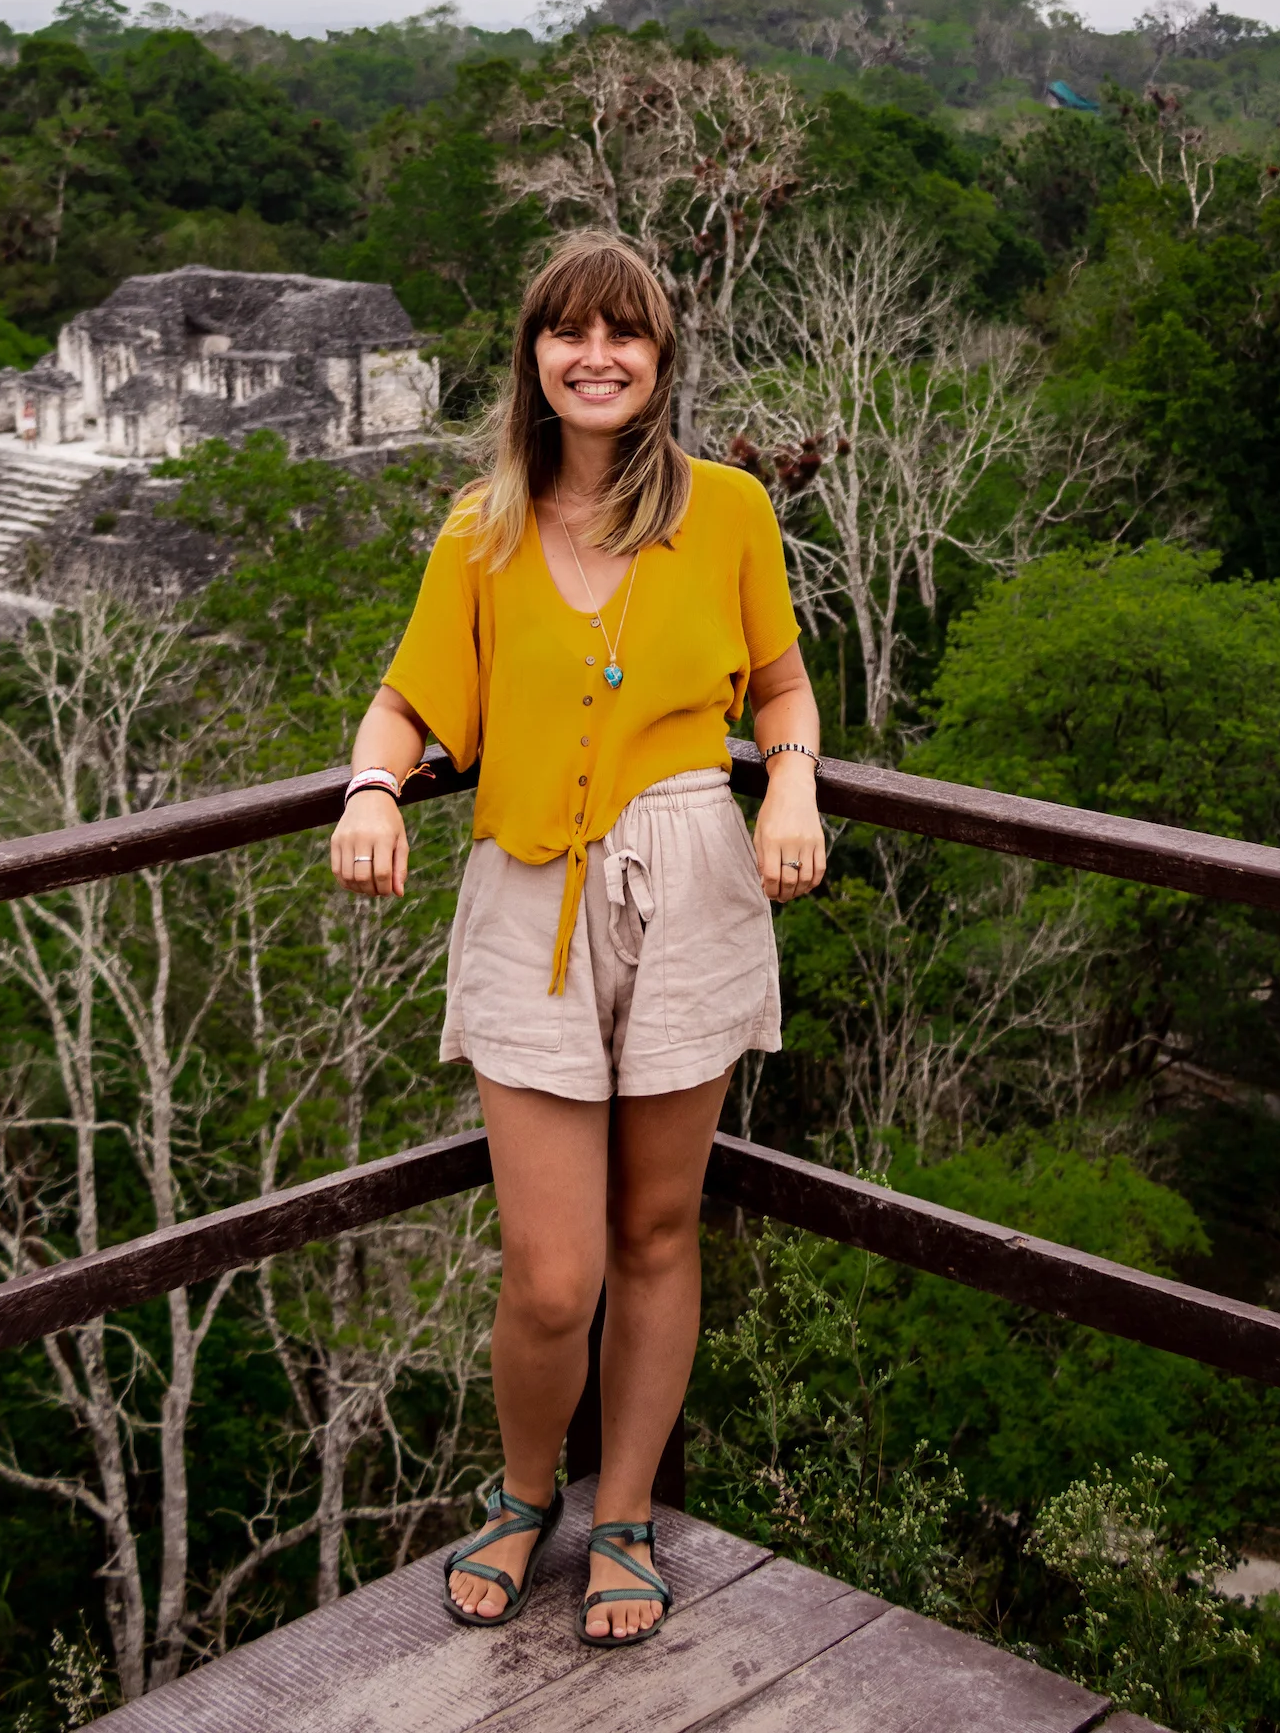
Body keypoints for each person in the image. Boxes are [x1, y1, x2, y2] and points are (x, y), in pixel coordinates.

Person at [329, 227, 826, 1647]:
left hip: (693, 881)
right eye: (568, 332)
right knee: (553, 1270)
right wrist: (376, 790)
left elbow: (781, 690)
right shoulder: (480, 528)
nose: (596, 355)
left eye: (627, 334)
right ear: (535, 361)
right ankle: (521, 1492)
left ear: (661, 361)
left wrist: (787, 779)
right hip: (529, 894)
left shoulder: (727, 510)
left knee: (660, 1230)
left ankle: (624, 1518)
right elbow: (407, 705)